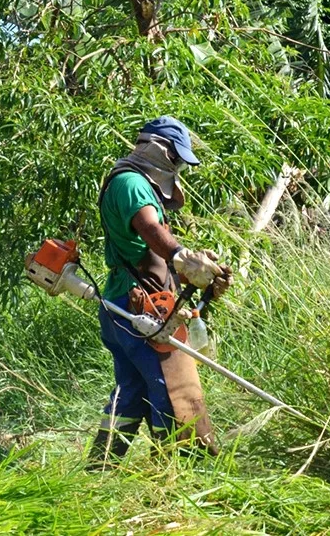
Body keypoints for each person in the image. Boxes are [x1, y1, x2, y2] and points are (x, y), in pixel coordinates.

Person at [89, 116, 233, 466]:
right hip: (139, 308)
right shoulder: (130, 182)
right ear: (160, 150)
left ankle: (99, 468)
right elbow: (151, 229)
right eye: (178, 158)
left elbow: (152, 258)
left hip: (127, 304)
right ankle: (177, 477)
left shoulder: (132, 182)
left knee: (132, 394)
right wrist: (182, 256)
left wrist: (202, 280)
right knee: (172, 389)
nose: (179, 166)